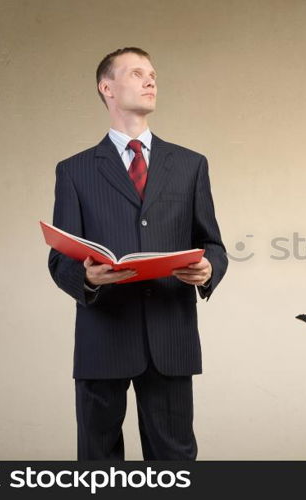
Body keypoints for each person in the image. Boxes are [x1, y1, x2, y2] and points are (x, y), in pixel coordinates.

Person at [48, 47, 228, 460]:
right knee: (97, 462)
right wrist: (87, 277)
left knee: (174, 462)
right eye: (137, 73)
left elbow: (213, 244)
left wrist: (208, 269)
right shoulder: (74, 171)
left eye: (153, 74)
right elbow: (60, 259)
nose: (151, 81)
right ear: (106, 87)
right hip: (103, 338)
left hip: (171, 336)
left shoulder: (190, 165)